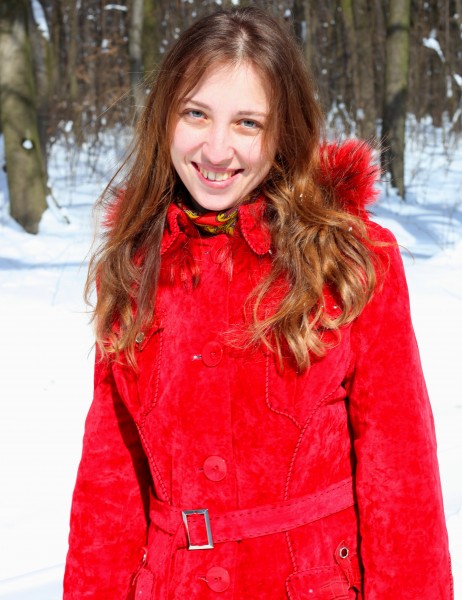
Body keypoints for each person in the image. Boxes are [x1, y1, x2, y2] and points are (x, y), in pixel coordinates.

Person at [63, 7, 453, 599]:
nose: (217, 150)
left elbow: (400, 480)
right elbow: (107, 486)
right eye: (196, 113)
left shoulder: (349, 260)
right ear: (165, 116)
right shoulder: (137, 266)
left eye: (248, 123)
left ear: (284, 131)